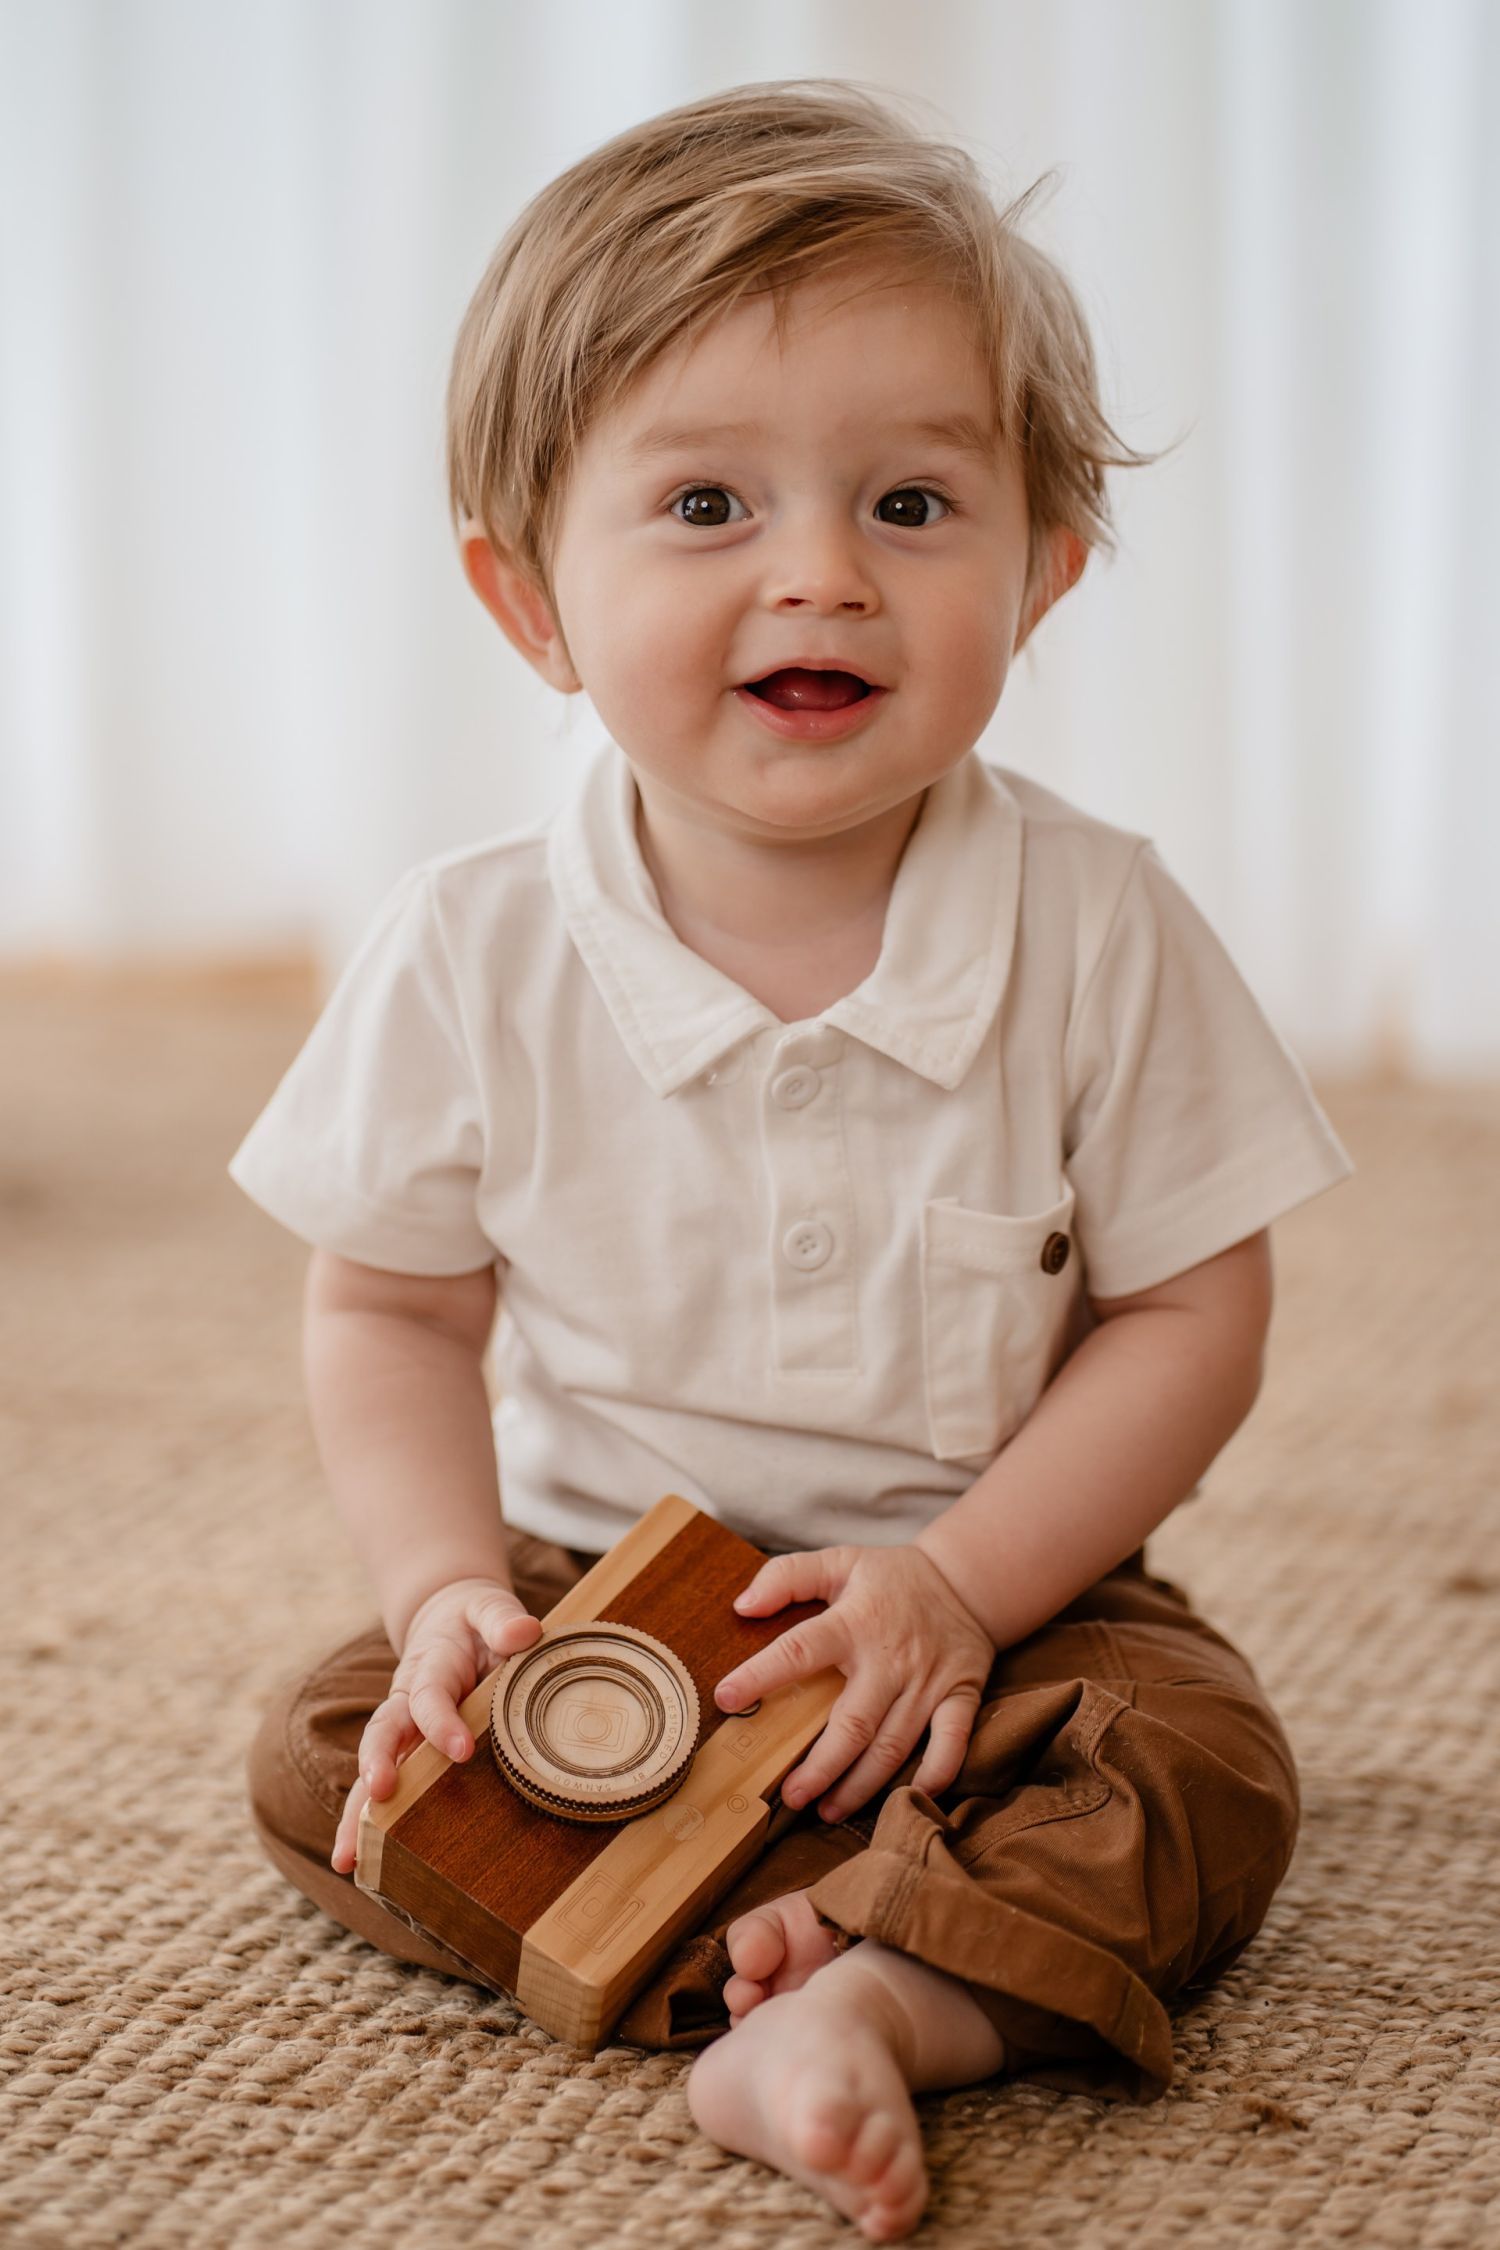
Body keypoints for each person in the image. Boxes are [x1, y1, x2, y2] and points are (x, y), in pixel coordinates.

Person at [233, 79, 1353, 2243]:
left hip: (994, 1594)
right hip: (596, 1597)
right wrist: (452, 1591)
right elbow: (387, 1304)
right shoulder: (473, 941)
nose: (822, 572)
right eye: (712, 505)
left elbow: (1192, 1314)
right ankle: (822, 1928)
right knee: (330, 1752)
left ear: (1045, 574)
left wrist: (965, 1586)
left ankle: (862, 1991)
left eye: (915, 507)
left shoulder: (1098, 921)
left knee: (1202, 1770)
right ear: (528, 599)